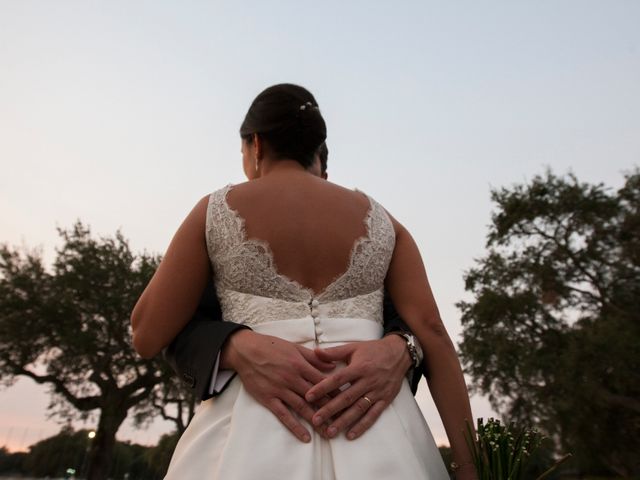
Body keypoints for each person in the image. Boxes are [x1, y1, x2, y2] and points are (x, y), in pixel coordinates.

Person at [131, 84, 476, 479]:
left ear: (256, 145)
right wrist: (469, 467)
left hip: (250, 433)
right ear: (317, 148)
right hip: (379, 428)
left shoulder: (214, 212)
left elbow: (146, 333)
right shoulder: (384, 222)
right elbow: (432, 331)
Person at [163, 143, 427, 443]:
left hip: (376, 428)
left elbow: (421, 324)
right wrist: (233, 347)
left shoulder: (376, 239)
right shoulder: (221, 236)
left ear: (324, 175)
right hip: (248, 429)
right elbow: (171, 329)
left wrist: (404, 348)